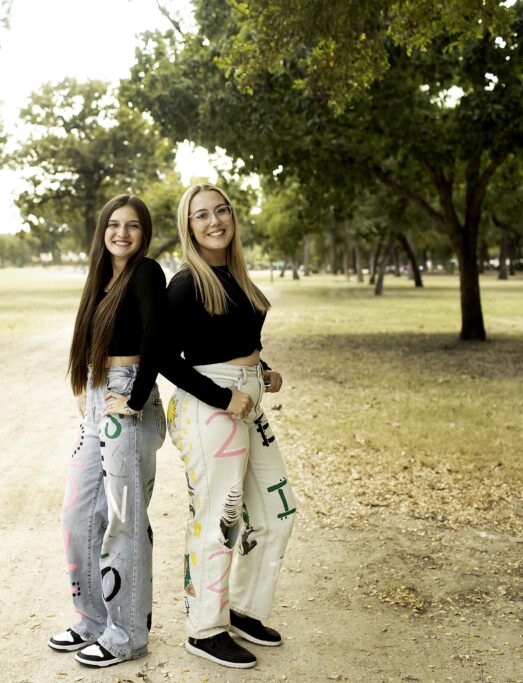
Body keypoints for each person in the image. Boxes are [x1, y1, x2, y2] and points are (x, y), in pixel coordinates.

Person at [163, 183, 297, 669]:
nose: (215, 220)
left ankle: (242, 610)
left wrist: (263, 371)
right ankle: (204, 628)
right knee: (220, 516)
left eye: (222, 211)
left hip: (247, 397)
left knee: (278, 509)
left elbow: (234, 337)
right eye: (202, 215)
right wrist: (224, 395)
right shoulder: (185, 284)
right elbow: (163, 357)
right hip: (210, 405)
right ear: (189, 226)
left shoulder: (236, 275)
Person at [49, 195, 168, 668]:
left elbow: (157, 337)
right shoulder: (102, 278)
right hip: (101, 397)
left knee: (123, 518)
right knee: (78, 513)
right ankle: (93, 619)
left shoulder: (146, 273)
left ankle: (128, 633)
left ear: (145, 233)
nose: (122, 233)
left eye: (132, 225)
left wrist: (136, 398)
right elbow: (87, 337)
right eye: (114, 224)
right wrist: (85, 386)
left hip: (128, 400)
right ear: (102, 231)